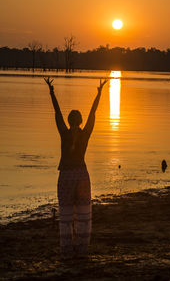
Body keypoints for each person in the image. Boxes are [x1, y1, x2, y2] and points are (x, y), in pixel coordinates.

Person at [44, 77, 107, 259]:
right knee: (83, 214)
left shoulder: (64, 133)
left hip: (66, 176)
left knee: (65, 213)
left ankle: (67, 249)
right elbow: (93, 115)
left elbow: (57, 114)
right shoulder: (85, 134)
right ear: (79, 120)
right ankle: (81, 248)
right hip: (81, 175)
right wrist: (99, 94)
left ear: (70, 120)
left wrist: (52, 92)